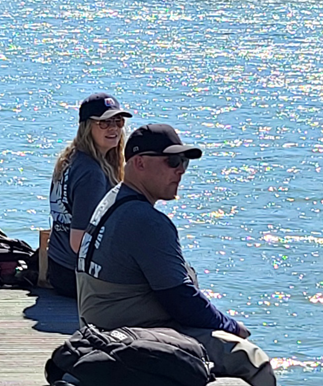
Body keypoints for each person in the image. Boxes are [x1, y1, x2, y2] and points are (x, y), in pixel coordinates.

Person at [76, 124, 276, 386]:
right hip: (136, 334)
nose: (180, 170)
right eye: (172, 161)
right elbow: (182, 302)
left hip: (98, 326)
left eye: (183, 162)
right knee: (252, 359)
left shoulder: (112, 199)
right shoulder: (147, 221)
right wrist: (232, 327)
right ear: (140, 163)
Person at [47, 92, 131, 298]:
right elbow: (79, 243)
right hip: (78, 277)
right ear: (87, 127)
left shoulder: (71, 158)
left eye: (118, 121)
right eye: (104, 123)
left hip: (58, 265)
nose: (113, 128)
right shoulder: (91, 174)